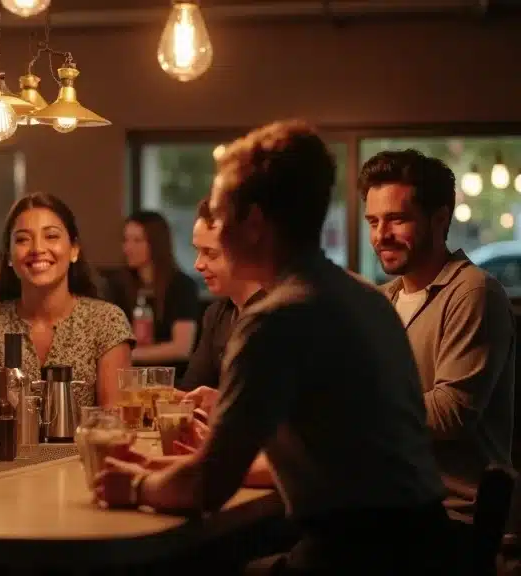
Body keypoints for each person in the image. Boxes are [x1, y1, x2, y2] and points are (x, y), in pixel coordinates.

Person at [95, 120, 455, 574]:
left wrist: (135, 486)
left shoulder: (276, 317)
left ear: (254, 224)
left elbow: (209, 485)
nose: (216, 233)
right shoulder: (363, 295)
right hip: (430, 548)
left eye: (221, 217)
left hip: (360, 557)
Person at [361, 149, 515, 522]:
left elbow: (451, 412)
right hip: (389, 503)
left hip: (454, 514)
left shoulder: (473, 290)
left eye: (397, 220)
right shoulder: (383, 300)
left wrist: (352, 410)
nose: (381, 235)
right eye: (373, 221)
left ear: (440, 219)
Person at [0, 193, 134, 407]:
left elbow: (114, 422)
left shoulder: (106, 321)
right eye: (23, 239)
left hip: (89, 442)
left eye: (51, 236)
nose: (37, 249)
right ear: (9, 257)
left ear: (74, 250)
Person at [179, 199, 264, 391]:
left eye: (211, 254)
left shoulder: (284, 314)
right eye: (198, 252)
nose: (198, 264)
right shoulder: (217, 314)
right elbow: (191, 390)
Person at [104, 211, 200, 371]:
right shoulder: (116, 284)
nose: (128, 248)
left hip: (170, 377)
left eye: (137, 241)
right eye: (126, 240)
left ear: (156, 243)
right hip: (126, 376)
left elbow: (182, 348)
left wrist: (128, 354)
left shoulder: (181, 285)